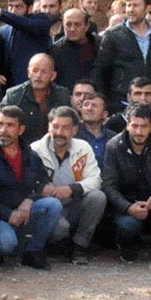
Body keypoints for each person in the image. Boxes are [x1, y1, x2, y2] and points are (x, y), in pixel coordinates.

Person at [0, 105, 62, 269]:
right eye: (0, 124)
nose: (3, 130)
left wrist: (30, 200)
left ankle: (32, 252)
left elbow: (43, 183)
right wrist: (8, 214)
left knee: (53, 205)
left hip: (24, 213)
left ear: (21, 129)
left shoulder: (31, 155)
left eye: (10, 125)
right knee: (5, 245)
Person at [101, 103, 151, 266]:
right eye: (134, 126)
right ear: (127, 125)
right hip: (127, 205)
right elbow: (109, 186)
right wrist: (128, 207)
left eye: (144, 126)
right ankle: (127, 247)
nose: (138, 131)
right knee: (127, 227)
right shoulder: (114, 146)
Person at [31, 105, 105, 264]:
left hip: (75, 203)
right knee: (60, 229)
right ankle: (54, 247)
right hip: (50, 207)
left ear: (75, 130)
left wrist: (72, 189)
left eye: (66, 127)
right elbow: (27, 182)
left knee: (98, 197)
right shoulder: (35, 150)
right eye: (55, 126)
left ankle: (80, 247)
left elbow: (95, 179)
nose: (59, 132)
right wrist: (41, 188)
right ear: (49, 126)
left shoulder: (83, 148)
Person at [92, 0, 151, 112]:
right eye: (129, 5)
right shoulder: (113, 35)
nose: (130, 9)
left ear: (148, 8)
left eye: (136, 5)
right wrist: (104, 102)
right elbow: (100, 69)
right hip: (120, 102)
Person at [0, 52, 74, 145]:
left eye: (44, 72)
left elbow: (73, 123)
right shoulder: (14, 96)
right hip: (22, 149)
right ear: (28, 73)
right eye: (35, 70)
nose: (38, 75)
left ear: (53, 76)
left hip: (55, 148)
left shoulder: (62, 95)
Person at [49, 8, 99, 90]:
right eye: (68, 25)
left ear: (86, 26)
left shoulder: (100, 46)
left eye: (77, 25)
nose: (72, 29)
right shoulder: (55, 51)